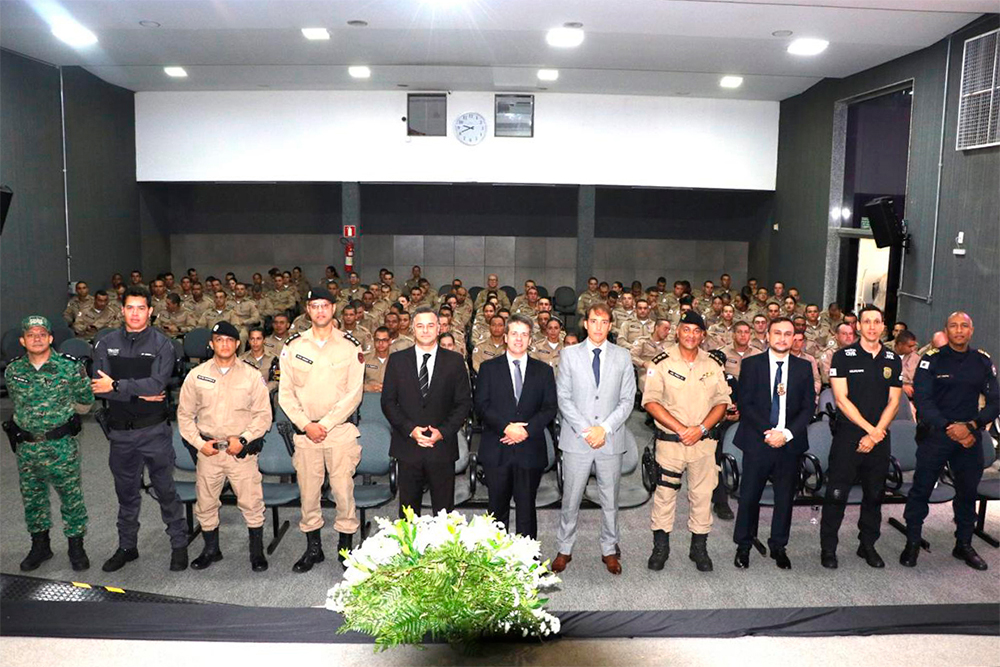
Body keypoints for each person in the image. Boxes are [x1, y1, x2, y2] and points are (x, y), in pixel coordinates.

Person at [92, 287, 189, 572]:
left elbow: (157, 385)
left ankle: (179, 544)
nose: (135, 313)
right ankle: (127, 546)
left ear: (150, 311)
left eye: (141, 308)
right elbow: (100, 389)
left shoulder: (163, 344)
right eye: (130, 308)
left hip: (153, 432)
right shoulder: (104, 343)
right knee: (126, 494)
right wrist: (138, 392)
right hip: (120, 433)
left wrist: (119, 386)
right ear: (122, 310)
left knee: (165, 490)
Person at [901, 312, 998, 571]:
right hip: (936, 434)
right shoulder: (931, 360)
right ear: (946, 329)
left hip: (969, 437)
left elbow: (995, 401)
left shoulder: (981, 361)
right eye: (953, 326)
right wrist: (949, 427)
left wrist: (971, 427)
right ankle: (912, 542)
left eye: (964, 326)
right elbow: (923, 400)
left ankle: (963, 544)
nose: (959, 330)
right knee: (921, 490)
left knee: (968, 492)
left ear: (971, 330)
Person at [278, 289, 365, 572]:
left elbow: (354, 394)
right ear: (307, 310)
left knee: (343, 491)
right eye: (314, 306)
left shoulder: (350, 346)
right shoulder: (293, 346)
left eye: (324, 306)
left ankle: (344, 549)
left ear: (334, 308)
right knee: (309, 493)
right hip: (305, 433)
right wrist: (306, 424)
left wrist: (324, 425)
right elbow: (285, 394)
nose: (320, 311)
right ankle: (313, 549)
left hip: (338, 432)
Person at [177, 321, 273, 572]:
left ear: (237, 344)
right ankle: (211, 549)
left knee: (252, 503)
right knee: (206, 503)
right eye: (219, 340)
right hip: (209, 450)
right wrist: (199, 444)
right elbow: (184, 416)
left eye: (229, 340)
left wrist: (243, 439)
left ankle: (256, 552)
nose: (225, 344)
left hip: (240, 452)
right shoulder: (196, 375)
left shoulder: (252, 376)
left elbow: (264, 415)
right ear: (211, 344)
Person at [641, 311, 731, 573]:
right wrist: (682, 429)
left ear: (703, 335)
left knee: (702, 496)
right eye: (686, 329)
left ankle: (698, 548)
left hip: (704, 445)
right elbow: (651, 402)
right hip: (671, 443)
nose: (691, 335)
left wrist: (701, 428)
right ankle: (661, 548)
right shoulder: (661, 363)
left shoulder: (713, 364)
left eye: (696, 331)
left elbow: (722, 402)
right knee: (664, 496)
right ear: (677, 331)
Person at [4, 316, 94, 572]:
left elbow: (86, 400)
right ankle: (40, 545)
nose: (36, 338)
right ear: (23, 340)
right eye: (31, 335)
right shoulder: (13, 371)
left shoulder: (69, 367)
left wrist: (60, 416)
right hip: (27, 447)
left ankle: (76, 546)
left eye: (42, 334)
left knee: (71, 497)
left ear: (51, 338)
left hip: (61, 445)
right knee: (33, 498)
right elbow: (17, 403)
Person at [551, 303, 636, 575]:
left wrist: (605, 429)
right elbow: (563, 397)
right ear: (585, 324)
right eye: (594, 321)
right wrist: (588, 430)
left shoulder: (623, 356)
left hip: (610, 440)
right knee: (571, 497)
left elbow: (627, 400)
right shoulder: (569, 354)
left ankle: (609, 549)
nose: (599, 326)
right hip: (578, 439)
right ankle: (564, 548)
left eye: (604, 322)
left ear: (610, 326)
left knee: (610, 499)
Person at [819, 305, 902, 569]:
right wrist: (870, 430)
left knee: (875, 495)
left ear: (883, 326)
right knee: (836, 494)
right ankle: (828, 548)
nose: (872, 326)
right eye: (867, 321)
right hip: (849, 436)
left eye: (877, 322)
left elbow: (894, 401)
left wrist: (877, 433)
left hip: (879, 437)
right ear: (858, 326)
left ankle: (867, 545)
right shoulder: (843, 356)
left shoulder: (892, 358)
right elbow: (841, 400)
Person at [732, 317, 816, 570]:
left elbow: (808, 407)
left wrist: (787, 433)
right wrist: (769, 432)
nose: (782, 338)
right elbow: (745, 403)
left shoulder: (804, 367)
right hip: (759, 440)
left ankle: (779, 545)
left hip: (789, 444)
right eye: (777, 333)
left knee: (784, 499)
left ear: (794, 338)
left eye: (788, 334)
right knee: (749, 497)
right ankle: (743, 545)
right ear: (767, 336)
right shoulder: (751, 364)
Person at [381, 308, 472, 516]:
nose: (425, 330)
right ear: (413, 329)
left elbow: (463, 403)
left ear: (439, 328)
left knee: (443, 513)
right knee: (408, 513)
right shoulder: (397, 361)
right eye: (420, 326)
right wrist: (410, 429)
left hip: (442, 446)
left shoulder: (455, 361)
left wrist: (442, 432)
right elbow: (388, 402)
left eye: (431, 325)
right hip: (408, 445)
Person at [475, 315, 557, 539]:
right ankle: (496, 564)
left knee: (526, 509)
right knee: (496, 509)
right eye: (514, 333)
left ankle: (528, 562)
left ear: (530, 339)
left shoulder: (544, 371)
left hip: (530, 449)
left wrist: (525, 431)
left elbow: (550, 408)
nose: (519, 338)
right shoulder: (488, 368)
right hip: (497, 447)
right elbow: (481, 406)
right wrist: (506, 428)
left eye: (524, 334)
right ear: (505, 337)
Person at [241, 327, 278, 391]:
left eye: (258, 339)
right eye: (252, 339)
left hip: (267, 395)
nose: (255, 342)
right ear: (249, 341)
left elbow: (276, 380)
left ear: (264, 340)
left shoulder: (274, 359)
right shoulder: (241, 360)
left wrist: (263, 391)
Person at [363, 327, 392, 392]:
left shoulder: (397, 360)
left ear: (390, 341)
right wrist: (367, 387)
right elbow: (354, 383)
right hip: (369, 395)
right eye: (377, 340)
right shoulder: (364, 359)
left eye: (384, 340)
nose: (380, 343)